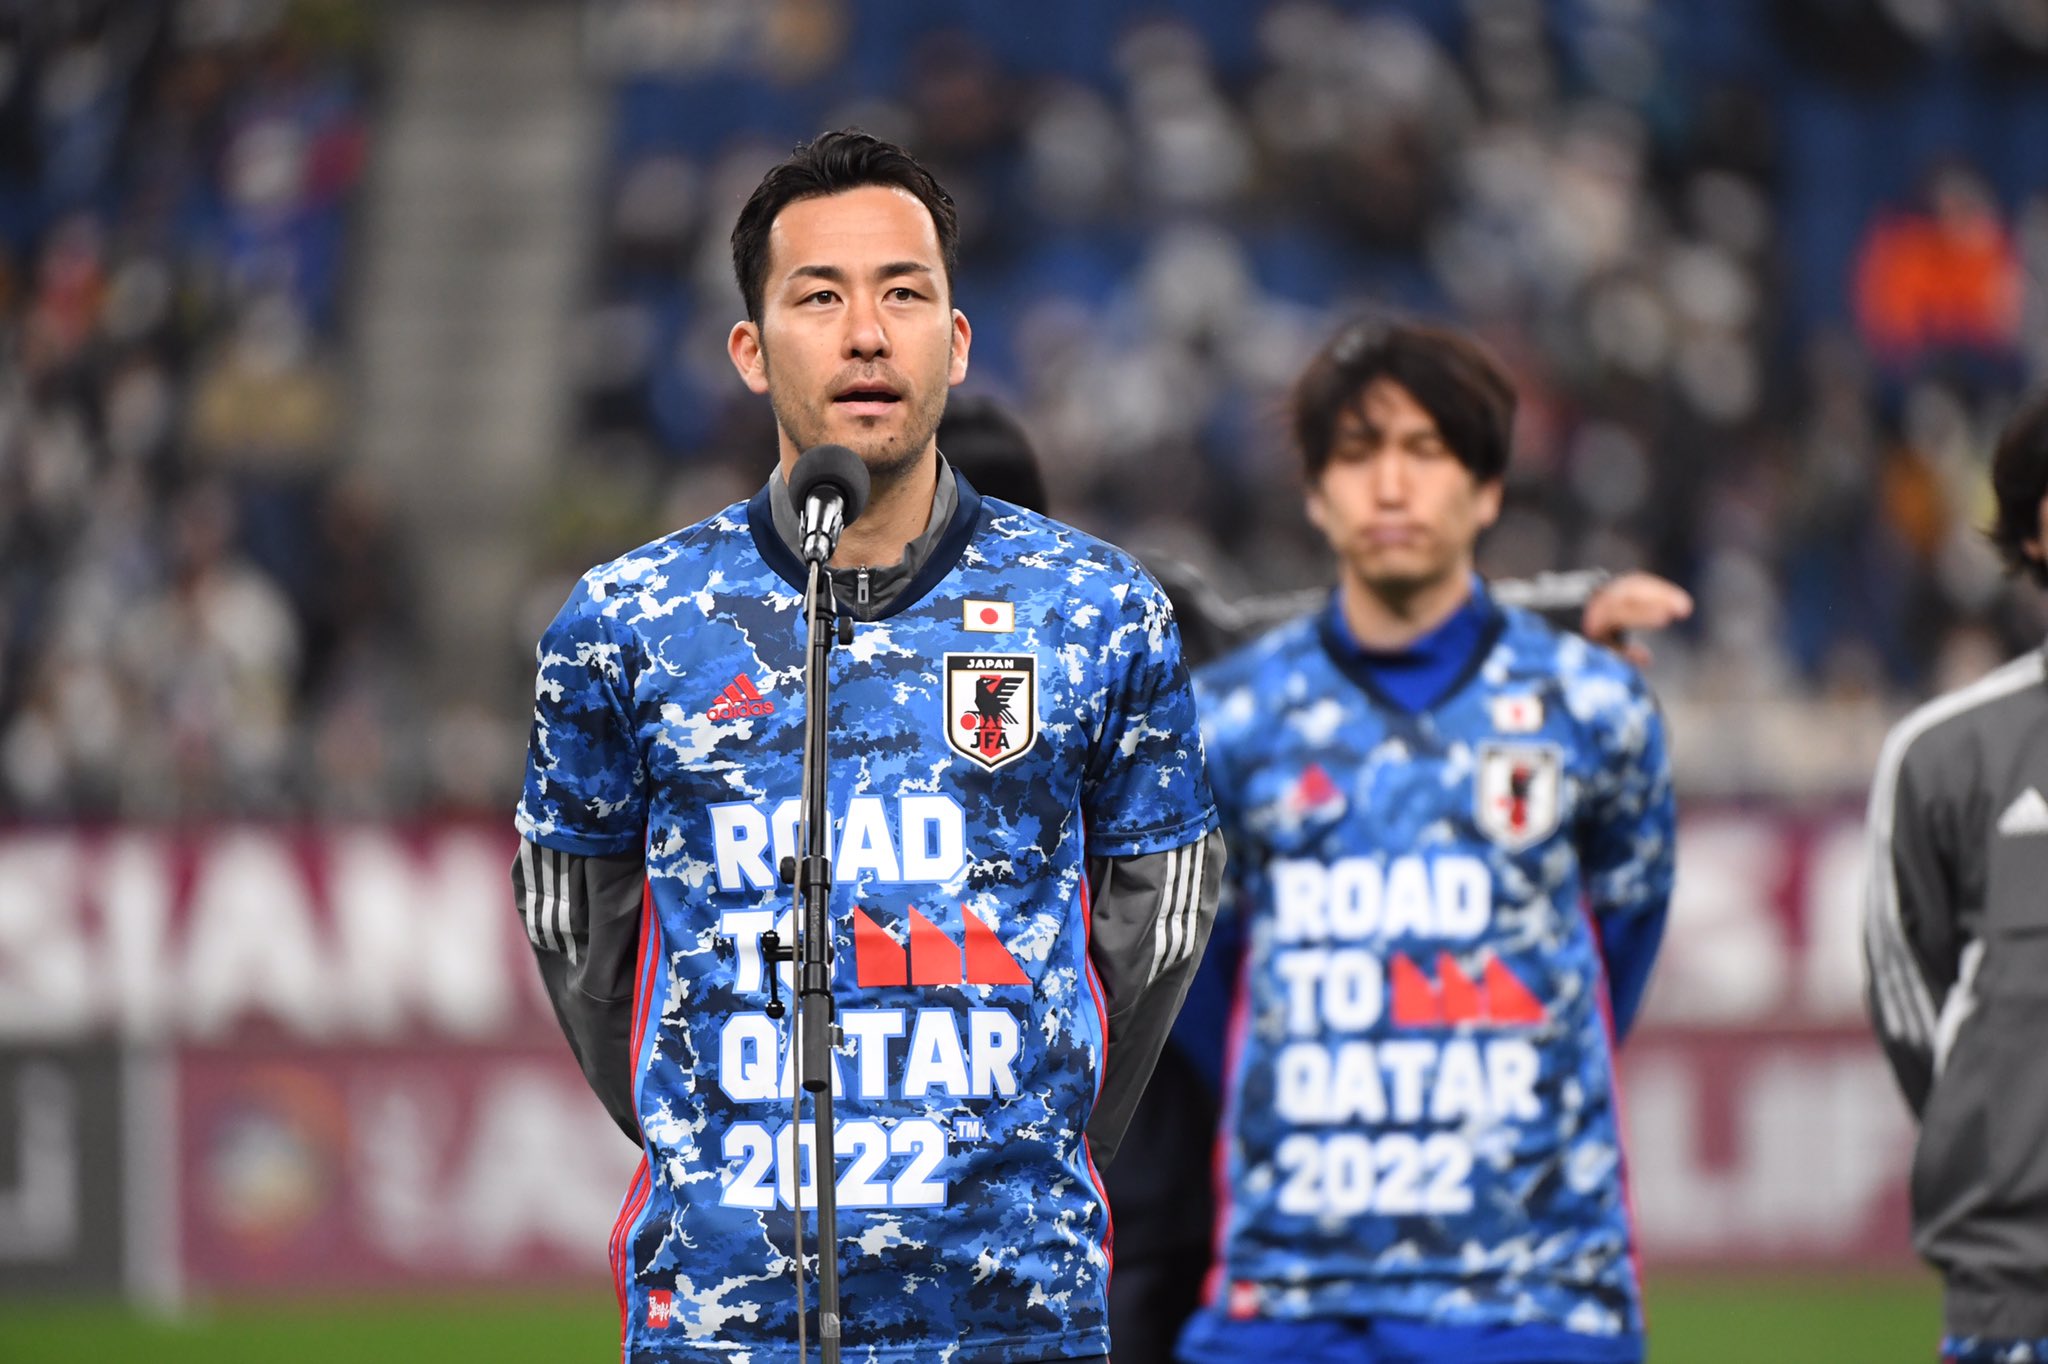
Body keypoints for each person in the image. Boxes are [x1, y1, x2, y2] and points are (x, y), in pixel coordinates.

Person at [511, 129, 1222, 1364]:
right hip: (723, 1318)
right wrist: (710, 1130)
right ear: (749, 349)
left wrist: (1031, 1129)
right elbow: (578, 928)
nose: (865, 335)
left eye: (903, 293)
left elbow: (1156, 920)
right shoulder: (626, 623)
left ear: (955, 339)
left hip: (1011, 1310)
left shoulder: (1097, 610)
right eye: (818, 297)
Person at [935, 399, 1690, 1364]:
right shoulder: (811, 640)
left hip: (1116, 1142)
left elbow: (1312, 637)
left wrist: (1560, 616)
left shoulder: (1105, 615)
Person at [1177, 317, 1677, 1364]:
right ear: (1316, 494)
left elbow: (1613, 958)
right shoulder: (1229, 722)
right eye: (1358, 455)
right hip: (1294, 1294)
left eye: (1427, 450)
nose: (1392, 486)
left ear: (1486, 489)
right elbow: (1198, 981)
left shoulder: (1595, 708)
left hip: (1537, 1294)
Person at [1864, 390, 2048, 1364]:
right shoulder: (1942, 757)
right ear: (2035, 529)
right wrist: (2003, 1137)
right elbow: (1912, 1008)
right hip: (2019, 1288)